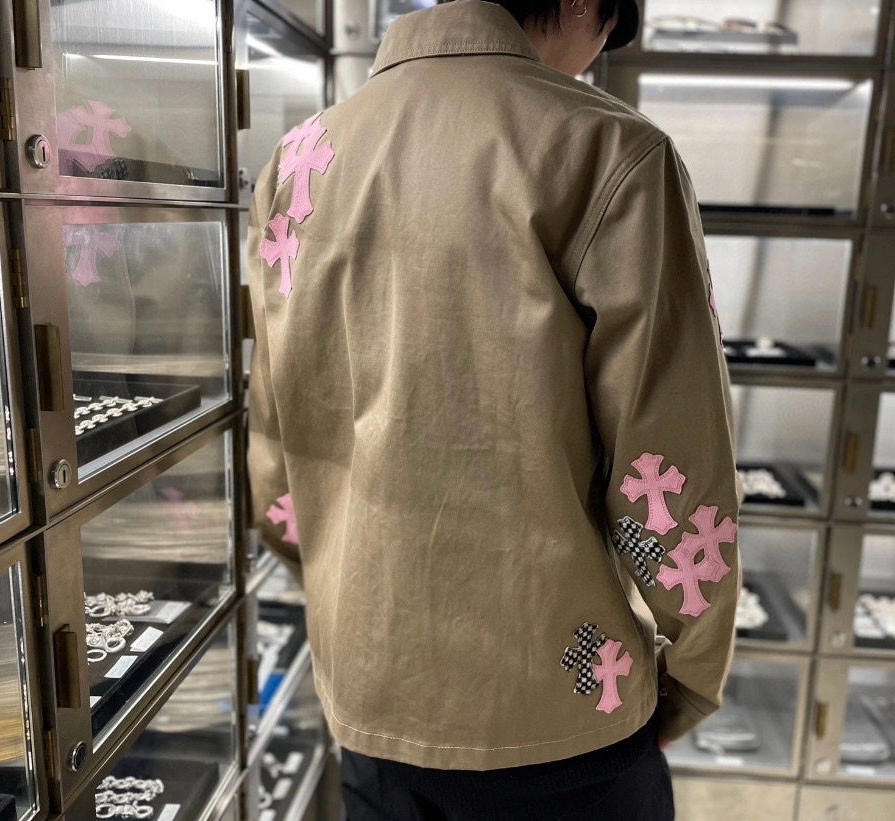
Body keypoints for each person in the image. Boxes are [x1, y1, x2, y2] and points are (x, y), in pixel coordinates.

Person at [247, 0, 742, 817]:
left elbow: (276, 450)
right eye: (611, 28)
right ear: (583, 2)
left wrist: (355, 605)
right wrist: (690, 670)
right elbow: (670, 463)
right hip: (562, 710)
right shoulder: (607, 149)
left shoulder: (298, 163)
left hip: (372, 699)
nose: (598, 53)